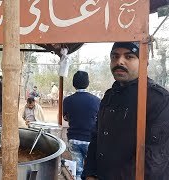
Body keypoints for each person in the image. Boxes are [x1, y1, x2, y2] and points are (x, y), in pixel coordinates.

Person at [82, 42, 169, 180]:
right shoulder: (109, 96)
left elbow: (154, 160)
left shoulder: (160, 100)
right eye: (114, 56)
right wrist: (89, 173)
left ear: (144, 62)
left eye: (129, 57)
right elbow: (96, 138)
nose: (119, 61)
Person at [63, 71, 100, 180]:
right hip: (90, 140)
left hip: (73, 139)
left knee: (77, 171)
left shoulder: (68, 100)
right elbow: (99, 119)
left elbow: (65, 117)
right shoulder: (96, 100)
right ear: (87, 83)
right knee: (91, 171)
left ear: (74, 84)